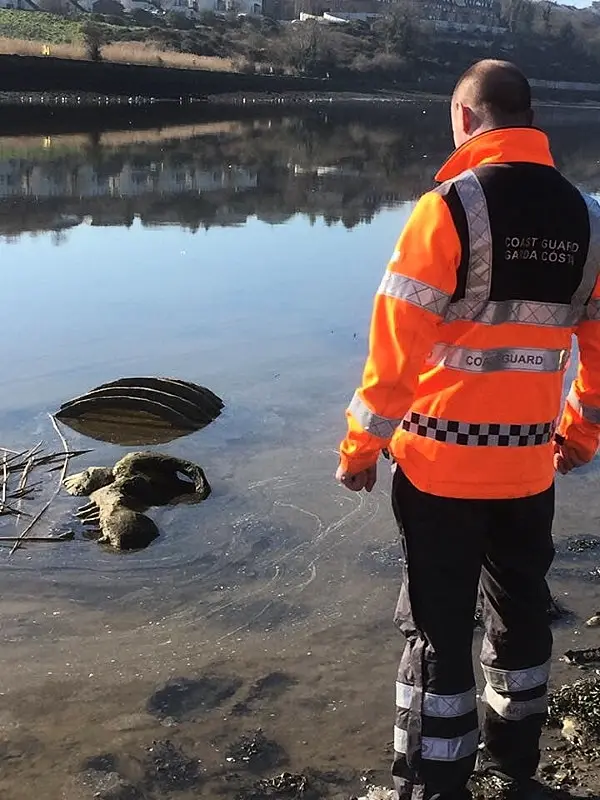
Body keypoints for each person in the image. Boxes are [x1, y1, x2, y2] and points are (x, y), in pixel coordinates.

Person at [335, 59, 600, 800]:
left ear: (463, 117)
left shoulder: (448, 209)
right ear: (531, 115)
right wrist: (578, 436)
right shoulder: (589, 218)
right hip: (528, 469)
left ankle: (431, 781)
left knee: (435, 631)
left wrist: (359, 447)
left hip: (439, 472)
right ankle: (514, 766)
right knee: (519, 615)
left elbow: (394, 353)